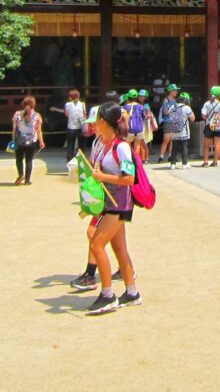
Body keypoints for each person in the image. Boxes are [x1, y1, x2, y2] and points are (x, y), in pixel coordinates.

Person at [84, 102, 142, 314]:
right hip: (109, 204)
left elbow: (129, 178)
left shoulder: (121, 147)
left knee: (96, 245)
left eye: (96, 121)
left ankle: (108, 294)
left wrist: (101, 176)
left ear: (104, 122)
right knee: (119, 249)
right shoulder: (104, 144)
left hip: (119, 204)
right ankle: (132, 291)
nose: (93, 125)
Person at [12, 95, 44, 186]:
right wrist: (41, 142)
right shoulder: (37, 116)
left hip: (19, 140)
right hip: (32, 141)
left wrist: (13, 140)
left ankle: (20, 175)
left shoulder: (17, 114)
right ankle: (27, 180)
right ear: (34, 104)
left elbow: (14, 128)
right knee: (29, 160)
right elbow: (39, 130)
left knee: (19, 159)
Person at [51, 89, 86, 163]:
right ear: (78, 96)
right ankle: (81, 162)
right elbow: (85, 114)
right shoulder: (82, 104)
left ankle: (70, 163)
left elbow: (66, 114)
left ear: (70, 97)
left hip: (71, 127)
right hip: (81, 127)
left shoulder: (67, 104)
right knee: (81, 147)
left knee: (70, 147)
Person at [201, 86, 220, 167]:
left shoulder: (207, 104)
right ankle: (215, 162)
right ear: (219, 94)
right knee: (217, 144)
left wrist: (209, 119)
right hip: (218, 126)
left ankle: (205, 162)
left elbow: (203, 115)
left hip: (209, 126)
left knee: (206, 145)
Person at [169, 92, 195, 169]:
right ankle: (184, 164)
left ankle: (172, 164)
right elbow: (192, 119)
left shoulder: (172, 107)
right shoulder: (187, 107)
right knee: (184, 147)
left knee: (174, 148)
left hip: (174, 131)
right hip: (184, 131)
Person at [158, 84, 182, 163]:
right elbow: (165, 111)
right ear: (171, 91)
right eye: (175, 90)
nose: (176, 92)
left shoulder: (175, 100)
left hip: (174, 121)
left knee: (173, 140)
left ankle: (171, 156)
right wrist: (173, 111)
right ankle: (161, 157)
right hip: (168, 121)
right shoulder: (166, 100)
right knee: (166, 140)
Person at [134, 89, 157, 162]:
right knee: (140, 143)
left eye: (142, 96)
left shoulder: (146, 105)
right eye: (140, 96)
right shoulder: (137, 104)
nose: (140, 97)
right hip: (140, 124)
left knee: (143, 142)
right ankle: (142, 158)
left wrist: (143, 116)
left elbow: (149, 115)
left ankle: (145, 159)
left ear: (145, 97)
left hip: (144, 125)